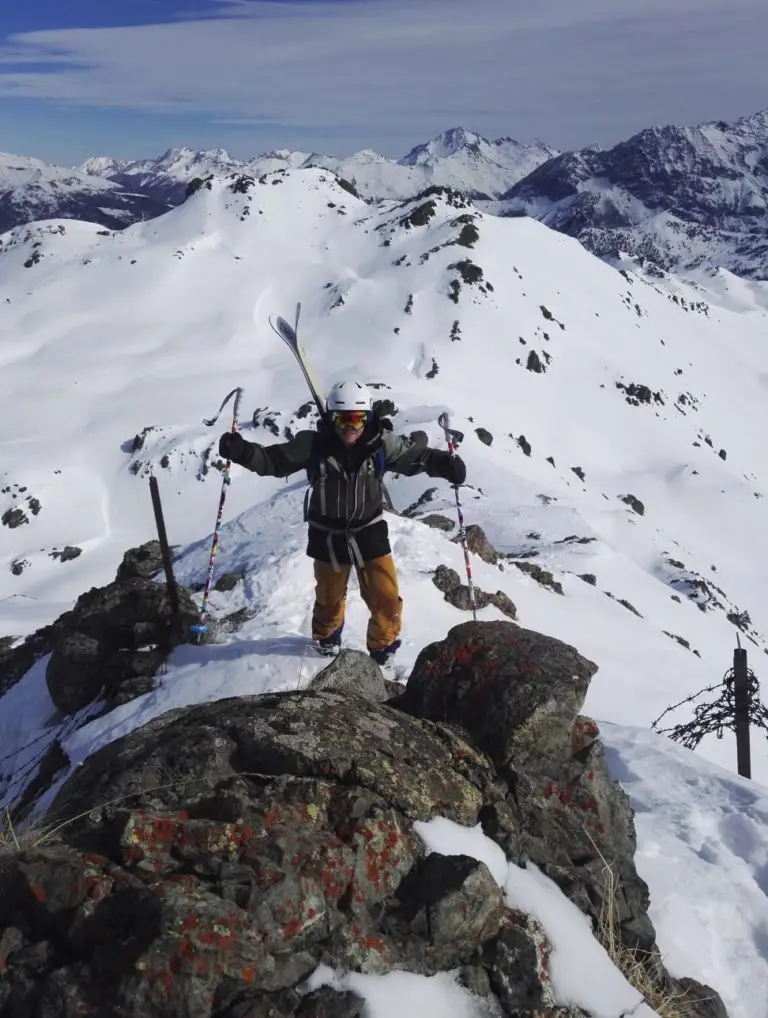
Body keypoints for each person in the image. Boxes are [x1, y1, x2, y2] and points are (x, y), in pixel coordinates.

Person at [218, 380, 466, 665]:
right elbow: (273, 461)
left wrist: (445, 464)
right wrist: (242, 452)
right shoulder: (313, 445)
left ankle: (382, 650)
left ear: (368, 418)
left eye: (357, 419)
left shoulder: (381, 442)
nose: (350, 427)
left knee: (386, 597)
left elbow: (414, 456)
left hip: (369, 530)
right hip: (327, 535)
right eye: (342, 419)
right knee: (329, 599)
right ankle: (326, 641)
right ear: (331, 418)